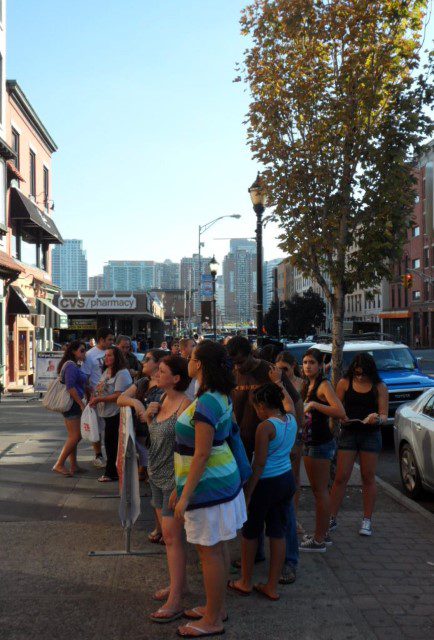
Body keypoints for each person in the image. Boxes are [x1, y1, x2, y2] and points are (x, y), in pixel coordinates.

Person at [171, 341, 246, 638]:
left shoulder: (206, 402)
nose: (187, 361)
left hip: (209, 487)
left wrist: (185, 494)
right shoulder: (218, 395)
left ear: (199, 364)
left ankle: (213, 619)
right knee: (218, 547)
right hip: (223, 480)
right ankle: (217, 607)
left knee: (209, 552)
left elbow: (201, 454)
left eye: (190, 358)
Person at [226, 335, 303, 572]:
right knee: (252, 506)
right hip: (243, 446)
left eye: (242, 362)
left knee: (281, 512)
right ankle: (255, 553)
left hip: (272, 449)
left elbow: (295, 402)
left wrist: (295, 437)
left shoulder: (269, 371)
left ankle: (289, 561)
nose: (239, 367)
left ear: (251, 354)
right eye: (235, 363)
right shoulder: (231, 373)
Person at [228, 382, 297, 601]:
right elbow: (290, 403)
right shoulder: (291, 420)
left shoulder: (265, 427)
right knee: (277, 532)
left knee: (250, 533)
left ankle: (245, 581)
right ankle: (271, 586)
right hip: (286, 479)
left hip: (266, 483)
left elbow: (259, 463)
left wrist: (248, 492)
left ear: (261, 405)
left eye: (256, 407)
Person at [145, 356, 192, 622]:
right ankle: (179, 585)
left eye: (162, 371)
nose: (156, 374)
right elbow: (157, 439)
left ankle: (176, 599)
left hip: (173, 481)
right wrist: (149, 417)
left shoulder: (186, 405)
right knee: (170, 538)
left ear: (176, 378)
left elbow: (191, 449)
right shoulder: (161, 400)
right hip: (157, 475)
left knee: (172, 538)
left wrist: (181, 485)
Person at [329, 353, 388, 536]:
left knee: (368, 476)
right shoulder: (344, 383)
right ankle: (331, 517)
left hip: (370, 435)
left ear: (371, 372)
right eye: (357, 373)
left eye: (364, 374)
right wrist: (342, 417)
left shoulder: (379, 387)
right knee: (341, 477)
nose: (360, 377)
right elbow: (336, 407)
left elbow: (384, 415)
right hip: (349, 433)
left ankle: (367, 520)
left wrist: (376, 418)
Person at [299, 348, 345, 552]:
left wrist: (316, 405)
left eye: (311, 362)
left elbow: (340, 411)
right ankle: (322, 535)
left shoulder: (323, 385)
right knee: (320, 492)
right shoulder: (308, 384)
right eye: (305, 362)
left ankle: (319, 539)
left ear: (320, 365)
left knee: (320, 492)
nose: (307, 366)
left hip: (319, 443)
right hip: (311, 442)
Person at [118, 349, 167, 540]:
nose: (143, 362)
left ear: (159, 363)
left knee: (160, 486)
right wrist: (137, 405)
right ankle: (160, 528)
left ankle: (165, 530)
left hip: (159, 439)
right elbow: (121, 398)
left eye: (147, 359)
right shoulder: (143, 382)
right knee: (154, 486)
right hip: (142, 438)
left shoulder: (165, 386)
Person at [89, 346, 132, 482]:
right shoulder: (107, 370)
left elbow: (118, 395)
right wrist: (94, 396)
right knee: (109, 442)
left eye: (109, 355)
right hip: (105, 412)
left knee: (111, 442)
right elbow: (101, 387)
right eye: (105, 355)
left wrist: (99, 399)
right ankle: (112, 470)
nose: (106, 358)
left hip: (116, 412)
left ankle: (111, 472)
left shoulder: (122, 373)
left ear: (116, 357)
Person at [276, 351, 304, 536]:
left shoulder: (301, 384)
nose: (282, 372)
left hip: (295, 433)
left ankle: (293, 516)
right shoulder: (277, 383)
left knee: (294, 477)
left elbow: (301, 407)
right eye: (279, 370)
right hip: (279, 433)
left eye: (285, 369)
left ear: (293, 366)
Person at [52, 340, 87, 477]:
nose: (84, 353)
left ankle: (73, 465)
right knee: (76, 436)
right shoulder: (71, 366)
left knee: (73, 435)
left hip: (72, 404)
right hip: (72, 404)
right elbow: (70, 387)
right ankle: (59, 464)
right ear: (73, 351)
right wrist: (81, 403)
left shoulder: (74, 365)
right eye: (82, 350)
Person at [81, 327, 114, 468]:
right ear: (101, 340)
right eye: (109, 339)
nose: (112, 342)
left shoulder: (112, 352)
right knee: (96, 428)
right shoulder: (90, 355)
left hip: (110, 396)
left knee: (110, 428)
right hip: (95, 397)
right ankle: (98, 455)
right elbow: (86, 378)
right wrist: (89, 397)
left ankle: (111, 455)